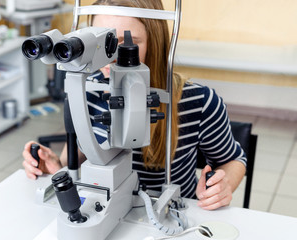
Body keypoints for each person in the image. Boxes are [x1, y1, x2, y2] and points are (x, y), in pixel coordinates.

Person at [22, 0, 247, 211]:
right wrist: (55, 163)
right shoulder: (89, 90)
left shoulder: (199, 102)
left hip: (168, 213)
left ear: (154, 43)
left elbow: (233, 160)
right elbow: (79, 152)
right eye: (101, 43)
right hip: (109, 209)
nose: (110, 57)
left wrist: (222, 185)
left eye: (127, 44)